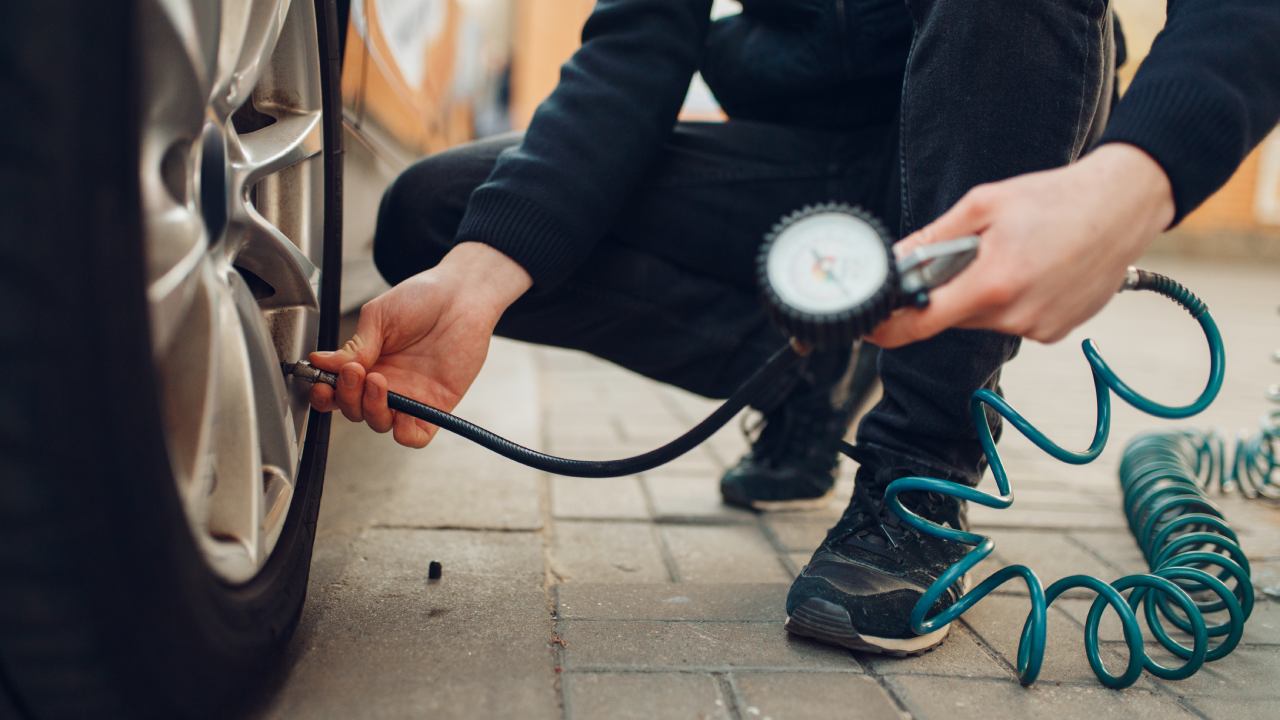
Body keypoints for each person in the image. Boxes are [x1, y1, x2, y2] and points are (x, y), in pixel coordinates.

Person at [309, 0, 1279, 654]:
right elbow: (633, 48)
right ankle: (804, 378)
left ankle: (915, 478)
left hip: (999, 122)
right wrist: (481, 277)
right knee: (440, 212)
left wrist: (1135, 176)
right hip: (803, 160)